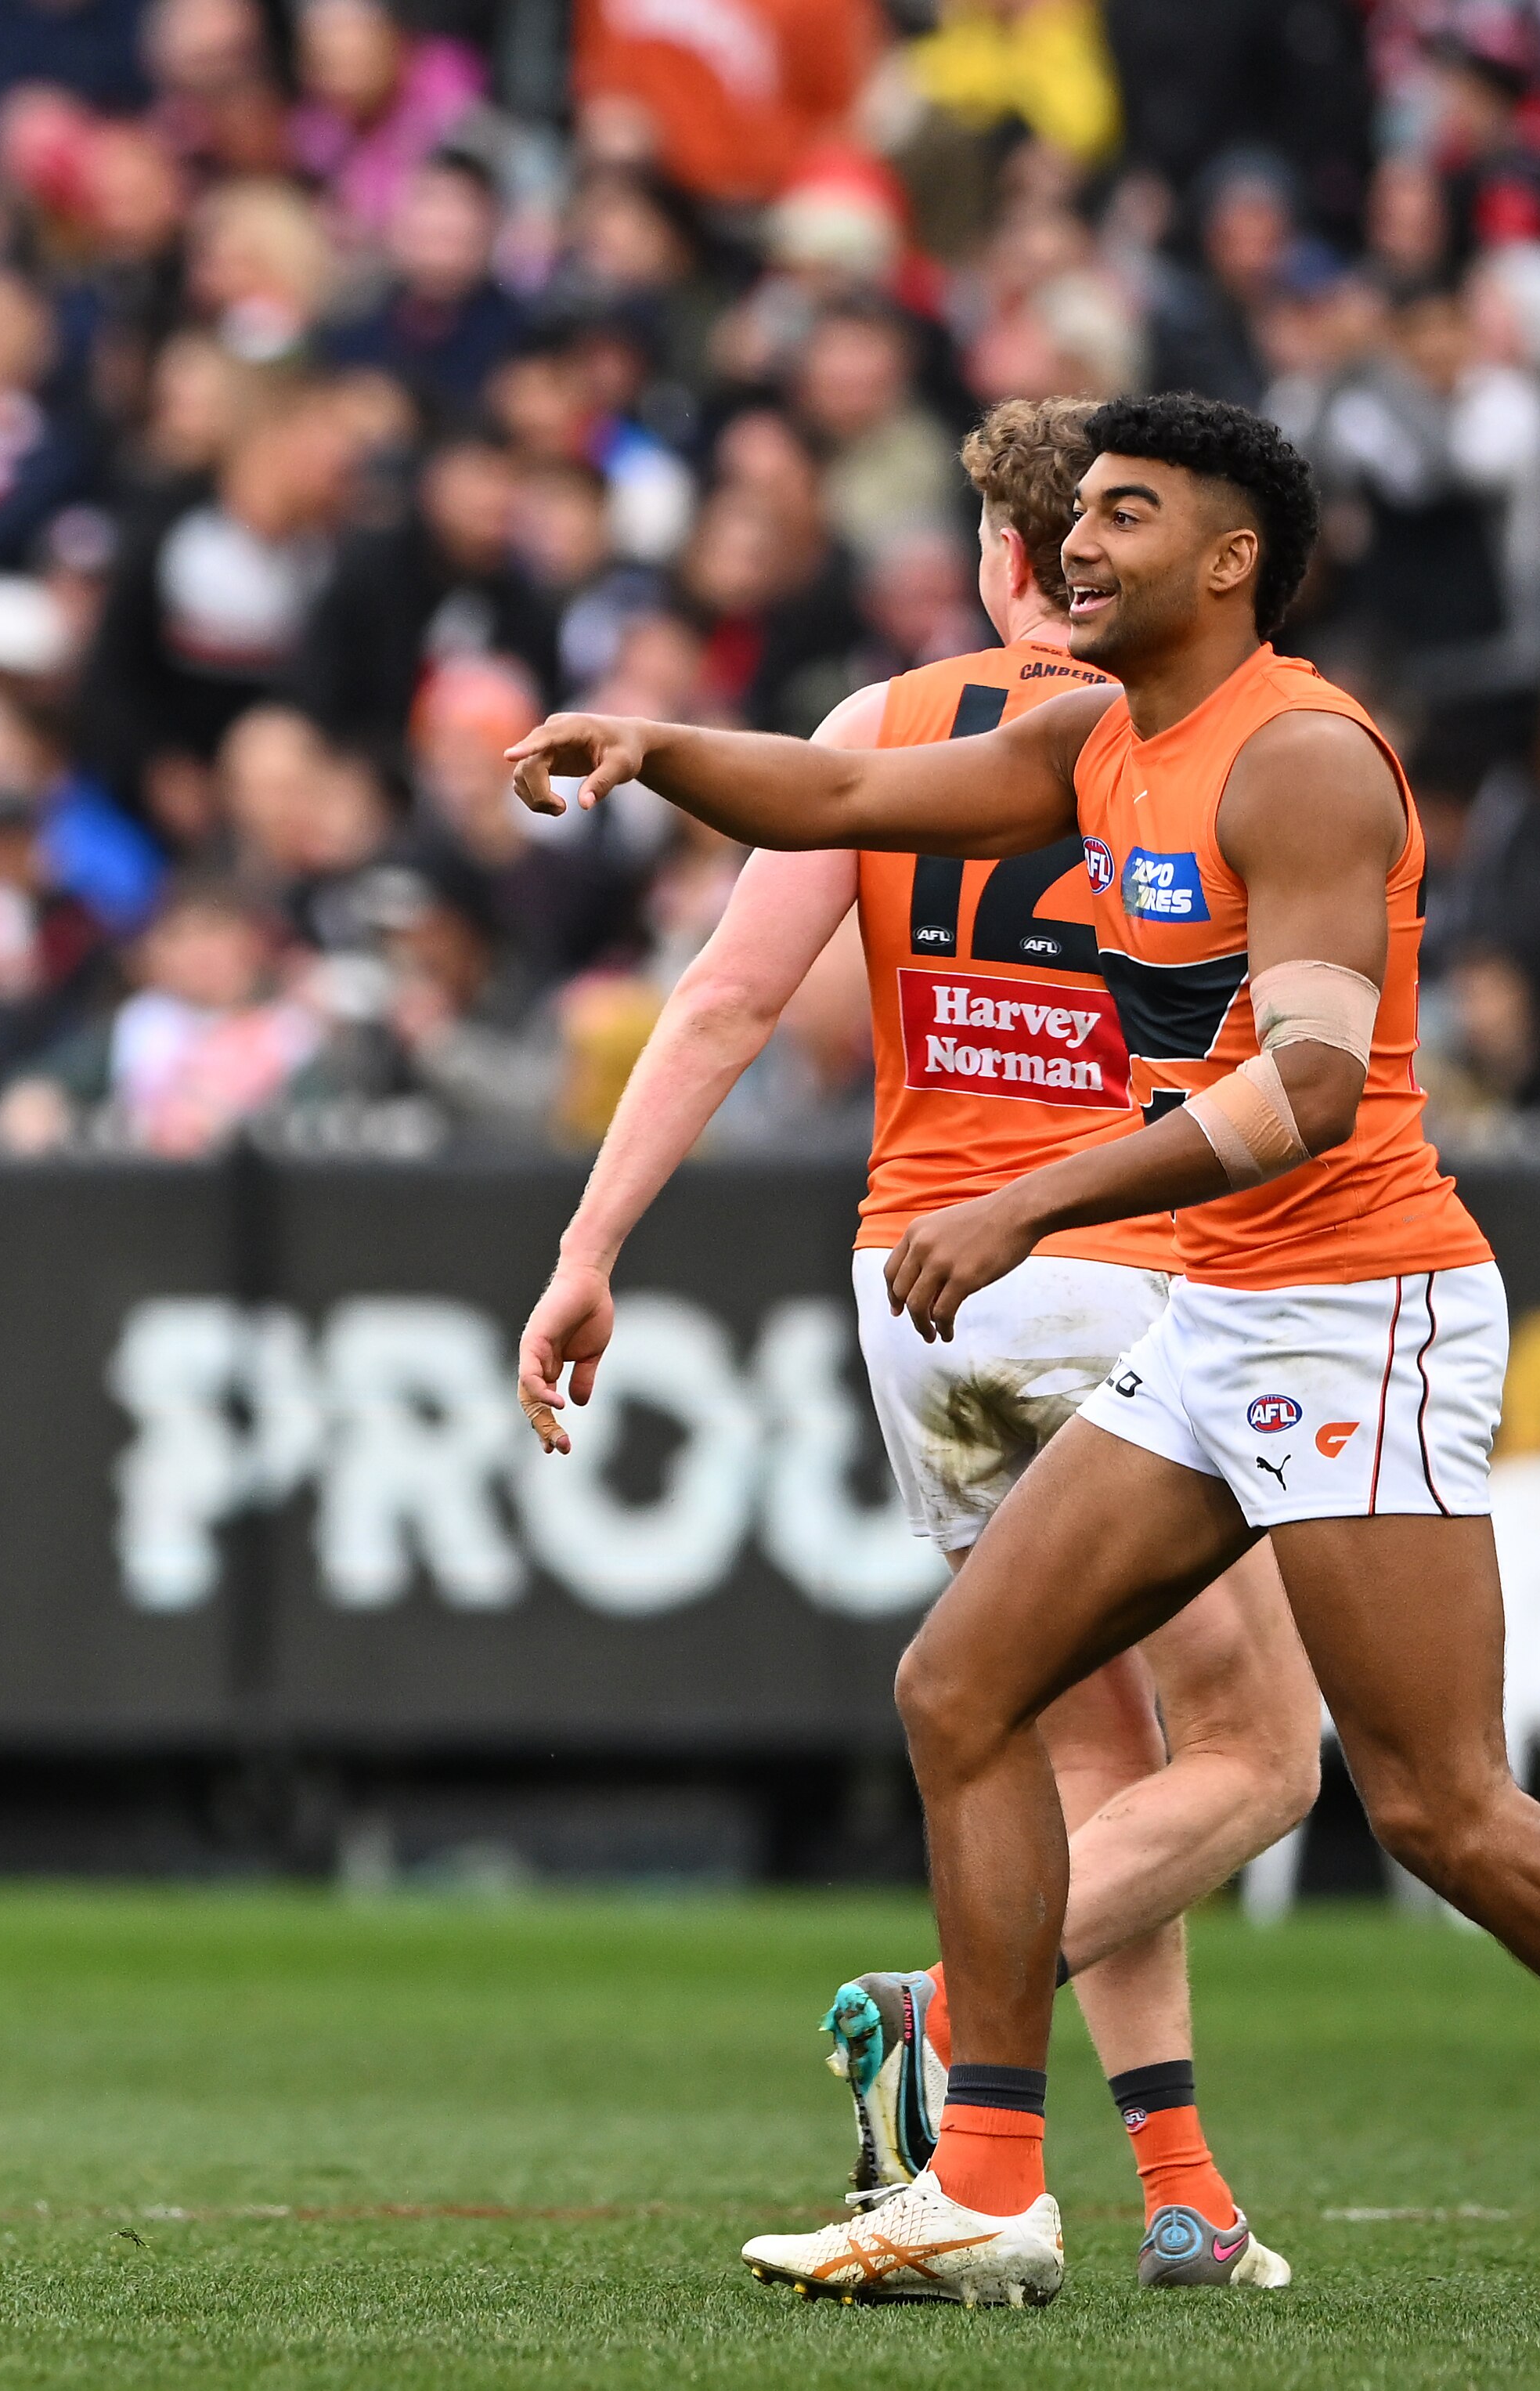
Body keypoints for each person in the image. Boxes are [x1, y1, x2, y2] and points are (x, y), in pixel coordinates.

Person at [503, 392, 1540, 2320]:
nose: (1072, 546)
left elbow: (1320, 1089)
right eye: (1072, 515)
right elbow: (841, 803)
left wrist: (1030, 1204)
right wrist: (656, 747)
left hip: (1360, 1306)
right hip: (1225, 1311)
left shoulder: (1305, 760)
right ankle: (989, 2182)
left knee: (1434, 1807)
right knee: (960, 1690)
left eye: (1123, 514)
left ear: (1231, 556)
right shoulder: (1107, 737)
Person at [514, 396, 1318, 2292]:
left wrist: (585, 1244)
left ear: (996, 567)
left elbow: (716, 1003)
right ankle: (943, 2002)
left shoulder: (882, 727)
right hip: (1114, 1266)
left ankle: (1184, 2190)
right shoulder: (1173, 732)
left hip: (919, 1297)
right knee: (1264, 1757)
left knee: (1089, 1761)